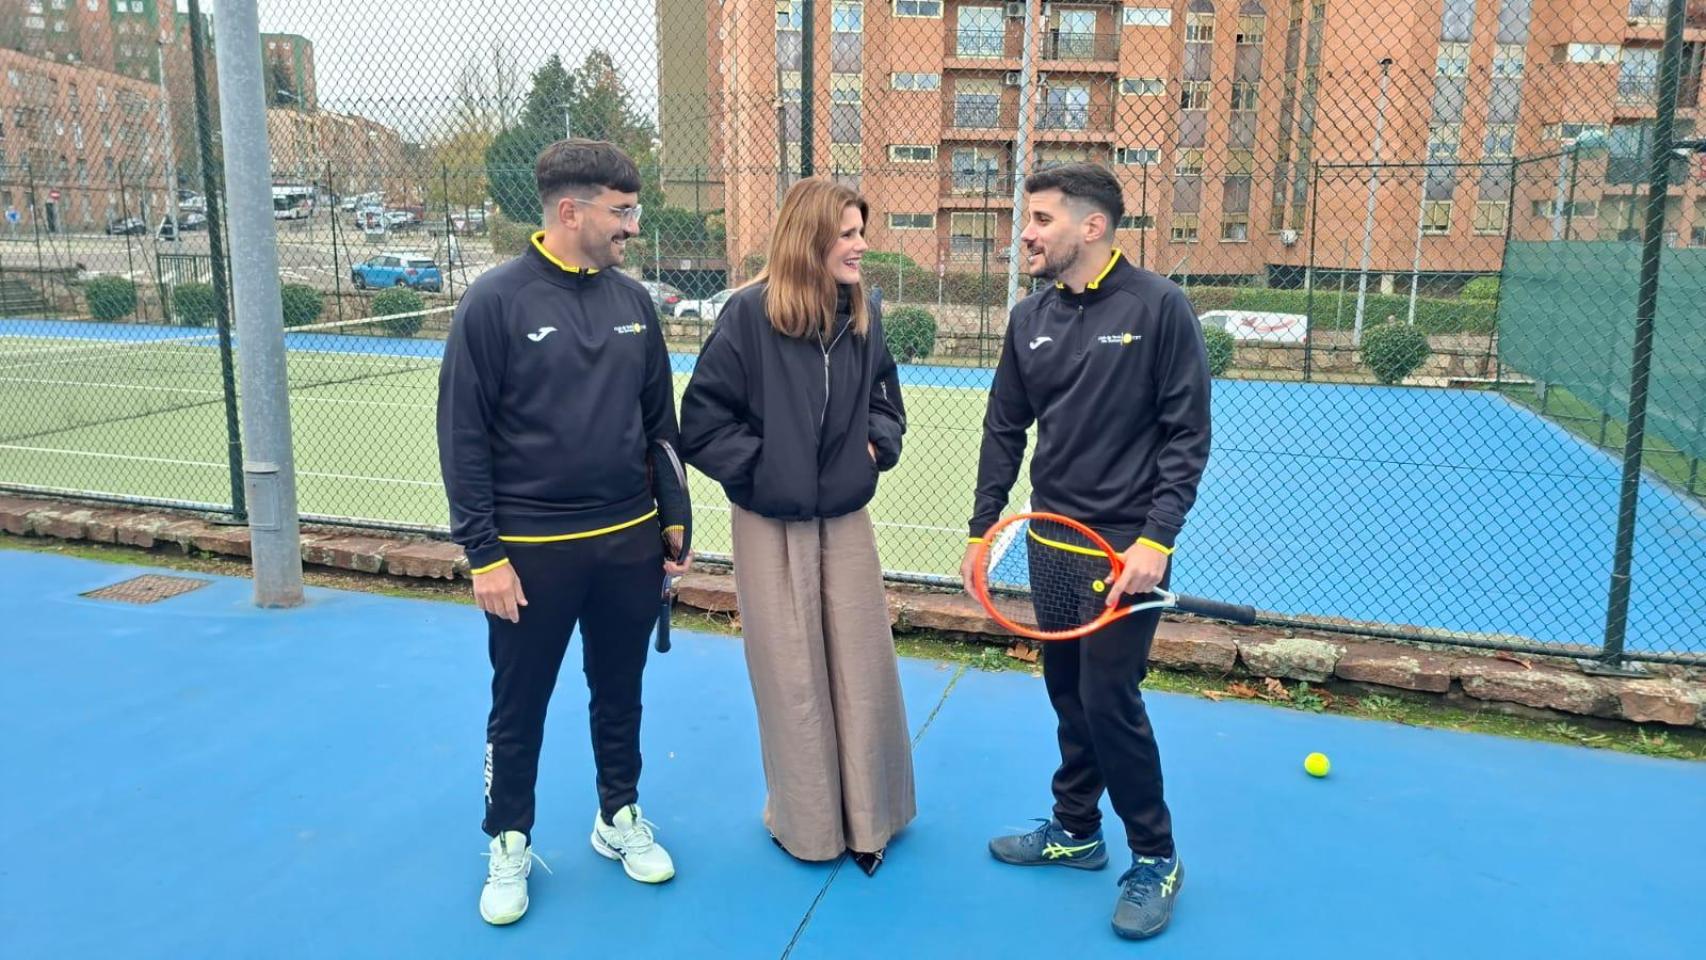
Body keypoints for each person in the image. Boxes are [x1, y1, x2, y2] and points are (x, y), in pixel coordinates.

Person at [436, 138, 690, 926]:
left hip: (627, 544)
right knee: (520, 706)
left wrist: (675, 521)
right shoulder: (495, 302)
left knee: (620, 693)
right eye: (621, 213)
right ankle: (508, 837)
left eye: (633, 213)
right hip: (530, 554)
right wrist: (484, 554)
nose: (631, 229)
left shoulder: (635, 302)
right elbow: (462, 437)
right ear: (569, 210)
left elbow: (661, 424)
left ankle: (618, 816)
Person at [959, 163, 1212, 940]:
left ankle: (1156, 855)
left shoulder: (1160, 309)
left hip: (1123, 551)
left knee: (1110, 700)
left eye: (1039, 219)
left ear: (1091, 227)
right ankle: (1075, 830)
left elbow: (1186, 437)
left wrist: (1156, 542)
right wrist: (980, 533)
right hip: (1049, 541)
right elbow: (1006, 427)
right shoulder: (1028, 315)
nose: (1026, 233)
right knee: (1068, 693)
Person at [679, 177, 914, 876]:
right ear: (809, 238)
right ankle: (810, 827)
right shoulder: (748, 315)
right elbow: (702, 423)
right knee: (792, 676)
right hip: (769, 524)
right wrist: (767, 473)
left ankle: (871, 820)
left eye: (860, 232)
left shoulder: (863, 312)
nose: (861, 245)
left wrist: (877, 444)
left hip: (845, 519)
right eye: (846, 233)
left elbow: (886, 398)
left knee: (862, 666)